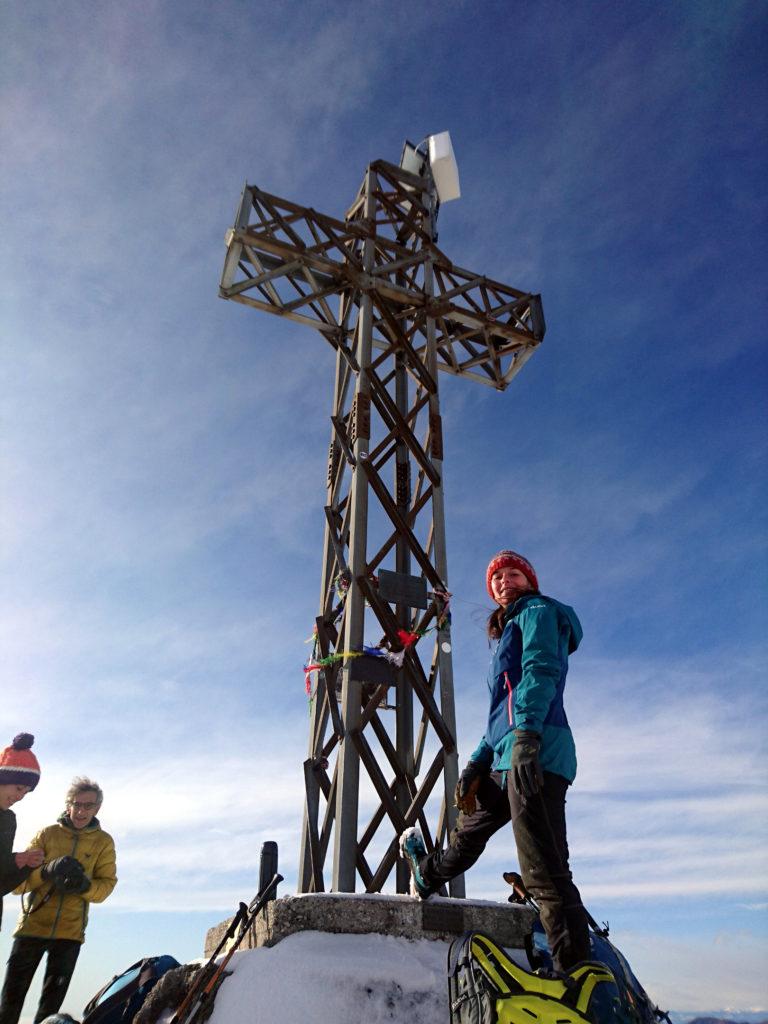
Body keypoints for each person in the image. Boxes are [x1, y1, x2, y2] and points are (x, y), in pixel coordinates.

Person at [401, 549, 591, 973]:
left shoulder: (539, 612)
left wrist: (526, 736)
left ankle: (576, 975)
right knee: (468, 833)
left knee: (544, 870)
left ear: (529, 580)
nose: (504, 582)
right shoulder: (506, 632)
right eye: (496, 578)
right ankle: (426, 876)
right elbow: (499, 712)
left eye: (512, 574)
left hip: (537, 752)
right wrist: (477, 761)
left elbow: (542, 670)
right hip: (508, 754)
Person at [0, 778, 117, 1024]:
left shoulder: (103, 842)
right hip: (30, 928)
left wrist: (84, 885)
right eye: (77, 804)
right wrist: (46, 871)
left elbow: (106, 887)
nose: (82, 810)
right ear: (68, 805)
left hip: (70, 935)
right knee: (9, 1003)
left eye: (89, 805)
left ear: (97, 808)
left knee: (50, 1011)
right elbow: (17, 884)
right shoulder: (47, 834)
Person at [1, 735, 44, 932]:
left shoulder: (9, 819)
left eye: (25, 793)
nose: (20, 797)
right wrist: (16, 860)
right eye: (18, 788)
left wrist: (26, 867)